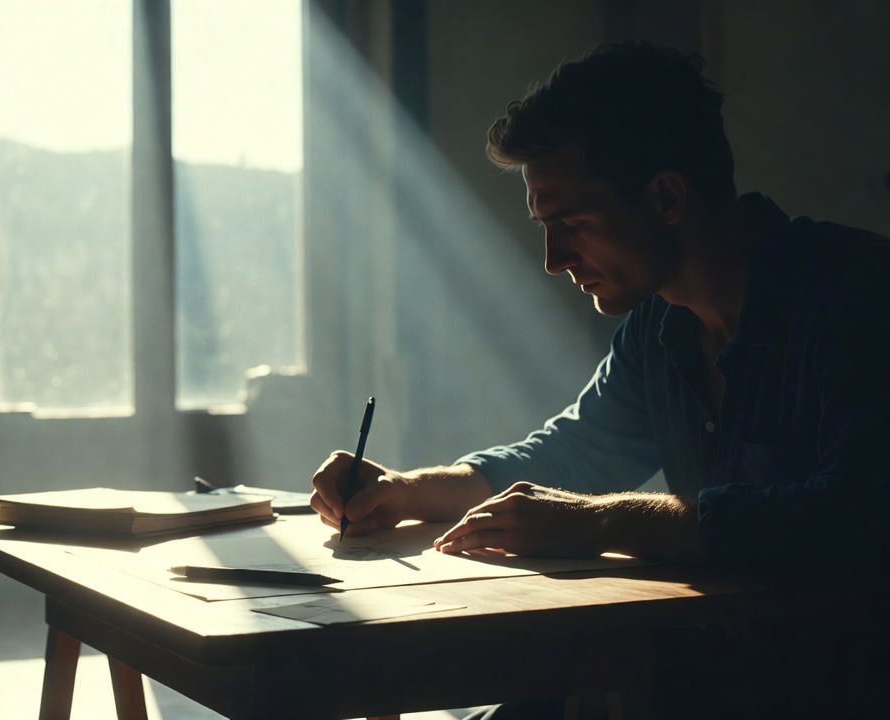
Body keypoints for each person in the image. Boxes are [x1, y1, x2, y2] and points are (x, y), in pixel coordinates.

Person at [310, 41, 890, 718]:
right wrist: (409, 489)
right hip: (705, 666)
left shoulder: (857, 296)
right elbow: (575, 455)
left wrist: (605, 521)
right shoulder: (659, 326)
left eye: (572, 224)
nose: (554, 261)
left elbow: (856, 516)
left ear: (667, 196)